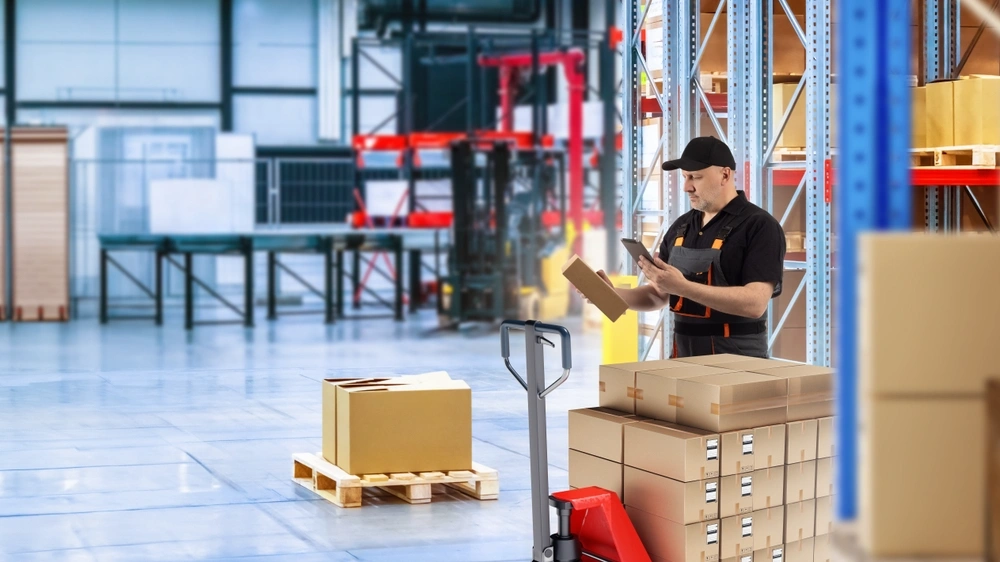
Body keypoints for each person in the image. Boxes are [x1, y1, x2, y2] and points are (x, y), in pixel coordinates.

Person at [578, 136, 786, 358]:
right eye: (685, 177)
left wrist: (682, 287)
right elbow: (658, 295)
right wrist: (612, 294)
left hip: (738, 362)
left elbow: (755, 304)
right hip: (683, 358)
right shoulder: (682, 227)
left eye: (696, 177)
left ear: (725, 175)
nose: (687, 187)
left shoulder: (759, 226)